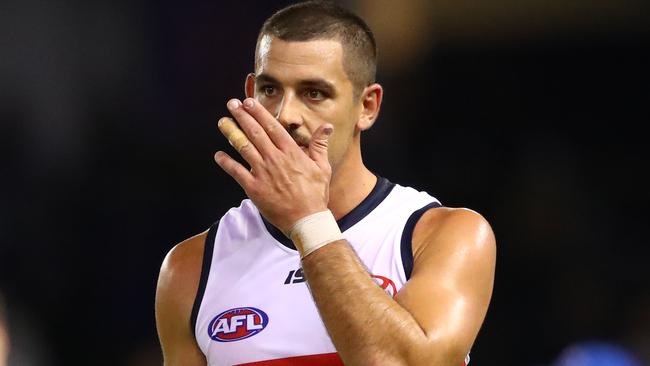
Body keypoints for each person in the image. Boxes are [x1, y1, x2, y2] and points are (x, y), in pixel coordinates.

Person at [155, 1, 496, 365]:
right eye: (270, 90)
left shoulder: (442, 235)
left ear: (367, 106)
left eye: (314, 93)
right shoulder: (190, 267)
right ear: (250, 91)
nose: (285, 116)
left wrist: (309, 221)